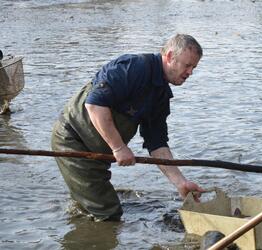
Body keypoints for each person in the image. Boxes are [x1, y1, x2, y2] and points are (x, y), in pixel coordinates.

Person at [51, 34, 205, 221]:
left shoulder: (161, 96)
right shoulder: (135, 67)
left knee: (92, 207)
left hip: (98, 155)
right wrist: (119, 147)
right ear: (170, 56)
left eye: (193, 68)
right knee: (109, 215)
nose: (190, 72)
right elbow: (94, 105)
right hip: (73, 142)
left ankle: (81, 216)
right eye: (187, 65)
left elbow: (157, 145)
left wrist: (180, 183)